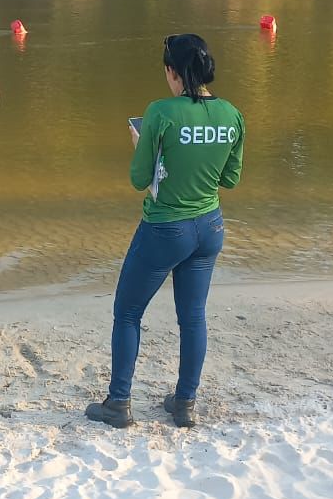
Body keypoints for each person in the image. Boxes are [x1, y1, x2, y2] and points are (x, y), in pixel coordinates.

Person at [86, 33, 244, 429]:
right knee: (193, 317)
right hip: (210, 227)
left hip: (165, 229)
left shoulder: (160, 112)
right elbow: (230, 178)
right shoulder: (232, 114)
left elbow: (140, 178)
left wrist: (143, 146)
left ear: (172, 71)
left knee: (127, 312)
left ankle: (119, 403)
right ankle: (185, 402)